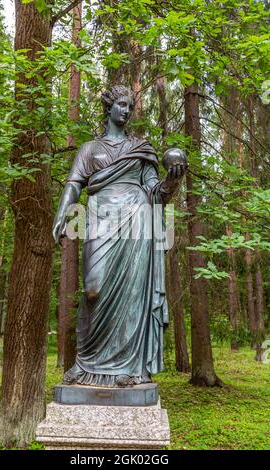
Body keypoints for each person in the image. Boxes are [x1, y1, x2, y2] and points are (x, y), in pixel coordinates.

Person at [53, 85, 188, 387]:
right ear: (109, 107)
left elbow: (156, 194)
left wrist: (172, 180)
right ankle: (86, 363)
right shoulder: (89, 149)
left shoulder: (141, 149)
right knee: (93, 289)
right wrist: (62, 214)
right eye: (122, 105)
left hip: (137, 220)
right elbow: (74, 185)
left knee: (131, 297)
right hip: (100, 219)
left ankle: (129, 367)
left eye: (130, 107)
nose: (127, 111)